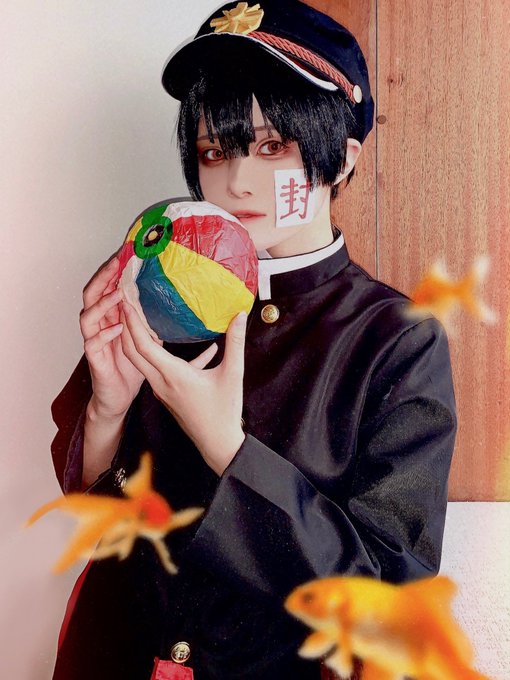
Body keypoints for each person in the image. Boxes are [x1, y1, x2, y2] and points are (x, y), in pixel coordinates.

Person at [50, 1, 457, 678]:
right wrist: (106, 413)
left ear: (342, 158)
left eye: (273, 147)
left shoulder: (396, 339)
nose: (235, 181)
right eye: (215, 151)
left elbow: (387, 603)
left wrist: (227, 449)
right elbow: (99, 521)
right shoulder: (158, 290)